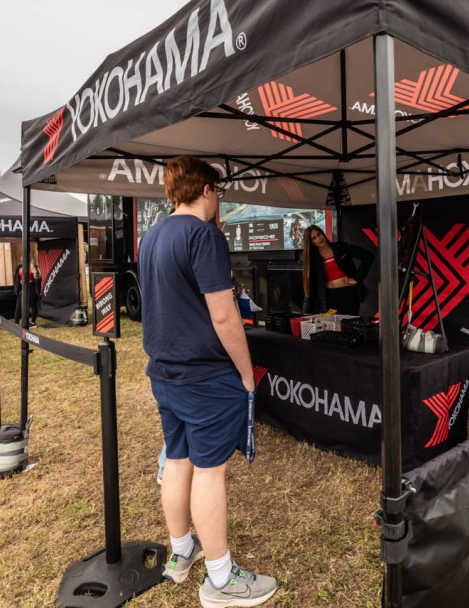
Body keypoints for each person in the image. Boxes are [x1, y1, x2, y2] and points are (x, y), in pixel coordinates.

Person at [138, 155, 278, 607]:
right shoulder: (204, 235)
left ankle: (183, 551)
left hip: (165, 372)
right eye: (218, 191)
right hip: (205, 375)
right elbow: (224, 314)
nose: (218, 198)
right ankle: (221, 579)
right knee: (209, 471)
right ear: (206, 190)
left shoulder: (151, 236)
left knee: (177, 460)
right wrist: (247, 375)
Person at [301, 225, 373, 316]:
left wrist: (357, 278)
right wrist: (304, 315)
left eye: (319, 234)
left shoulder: (340, 247)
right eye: (314, 238)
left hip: (350, 294)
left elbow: (368, 256)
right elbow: (310, 289)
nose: (319, 239)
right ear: (311, 242)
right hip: (331, 298)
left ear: (323, 233)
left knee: (350, 323)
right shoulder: (313, 260)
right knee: (334, 324)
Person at [13, 262, 39, 327]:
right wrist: (17, 289)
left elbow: (38, 279)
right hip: (22, 287)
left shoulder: (33, 267)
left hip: (31, 287)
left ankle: (32, 322)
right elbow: (16, 279)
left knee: (33, 305)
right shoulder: (19, 267)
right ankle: (16, 323)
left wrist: (35, 275)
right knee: (18, 306)